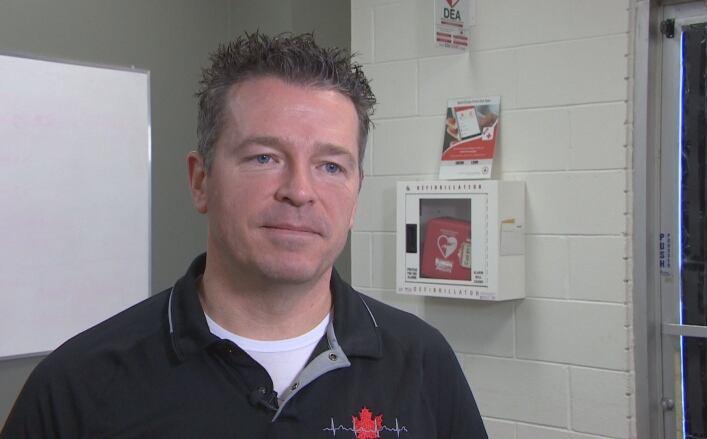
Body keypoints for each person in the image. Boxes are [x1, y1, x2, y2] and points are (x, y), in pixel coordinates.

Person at [1, 32, 487, 438]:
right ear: (200, 180)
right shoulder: (77, 388)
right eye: (264, 158)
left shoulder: (423, 363)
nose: (300, 191)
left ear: (356, 194)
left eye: (331, 166)